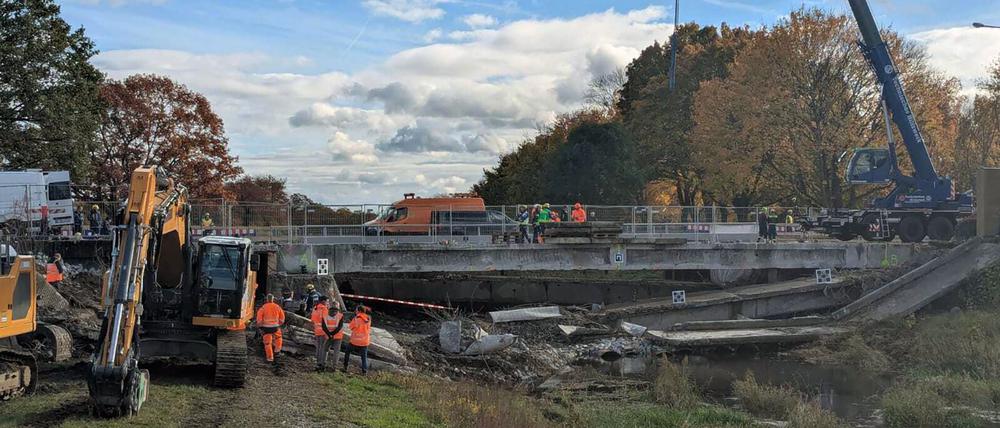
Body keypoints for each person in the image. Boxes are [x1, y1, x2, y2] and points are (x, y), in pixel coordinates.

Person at [311, 297, 345, 371]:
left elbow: (322, 325)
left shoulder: (317, 309)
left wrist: (329, 334)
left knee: (323, 349)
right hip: (337, 336)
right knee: (336, 351)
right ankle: (334, 367)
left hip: (325, 334)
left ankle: (321, 364)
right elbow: (340, 326)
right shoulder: (340, 315)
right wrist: (333, 334)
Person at [255, 294, 285, 363]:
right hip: (275, 327)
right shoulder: (277, 307)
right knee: (278, 338)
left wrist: (260, 326)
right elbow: (282, 319)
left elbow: (259, 320)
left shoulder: (263, 308)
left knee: (267, 343)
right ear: (273, 299)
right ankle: (277, 352)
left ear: (266, 300)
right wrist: (278, 324)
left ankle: (270, 358)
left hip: (266, 328)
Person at [343, 305, 372, 375]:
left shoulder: (356, 318)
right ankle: (364, 371)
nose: (355, 311)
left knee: (347, 352)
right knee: (364, 357)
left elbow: (351, 327)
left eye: (356, 310)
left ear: (359, 311)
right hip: (365, 341)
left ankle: (345, 367)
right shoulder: (368, 318)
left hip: (355, 340)